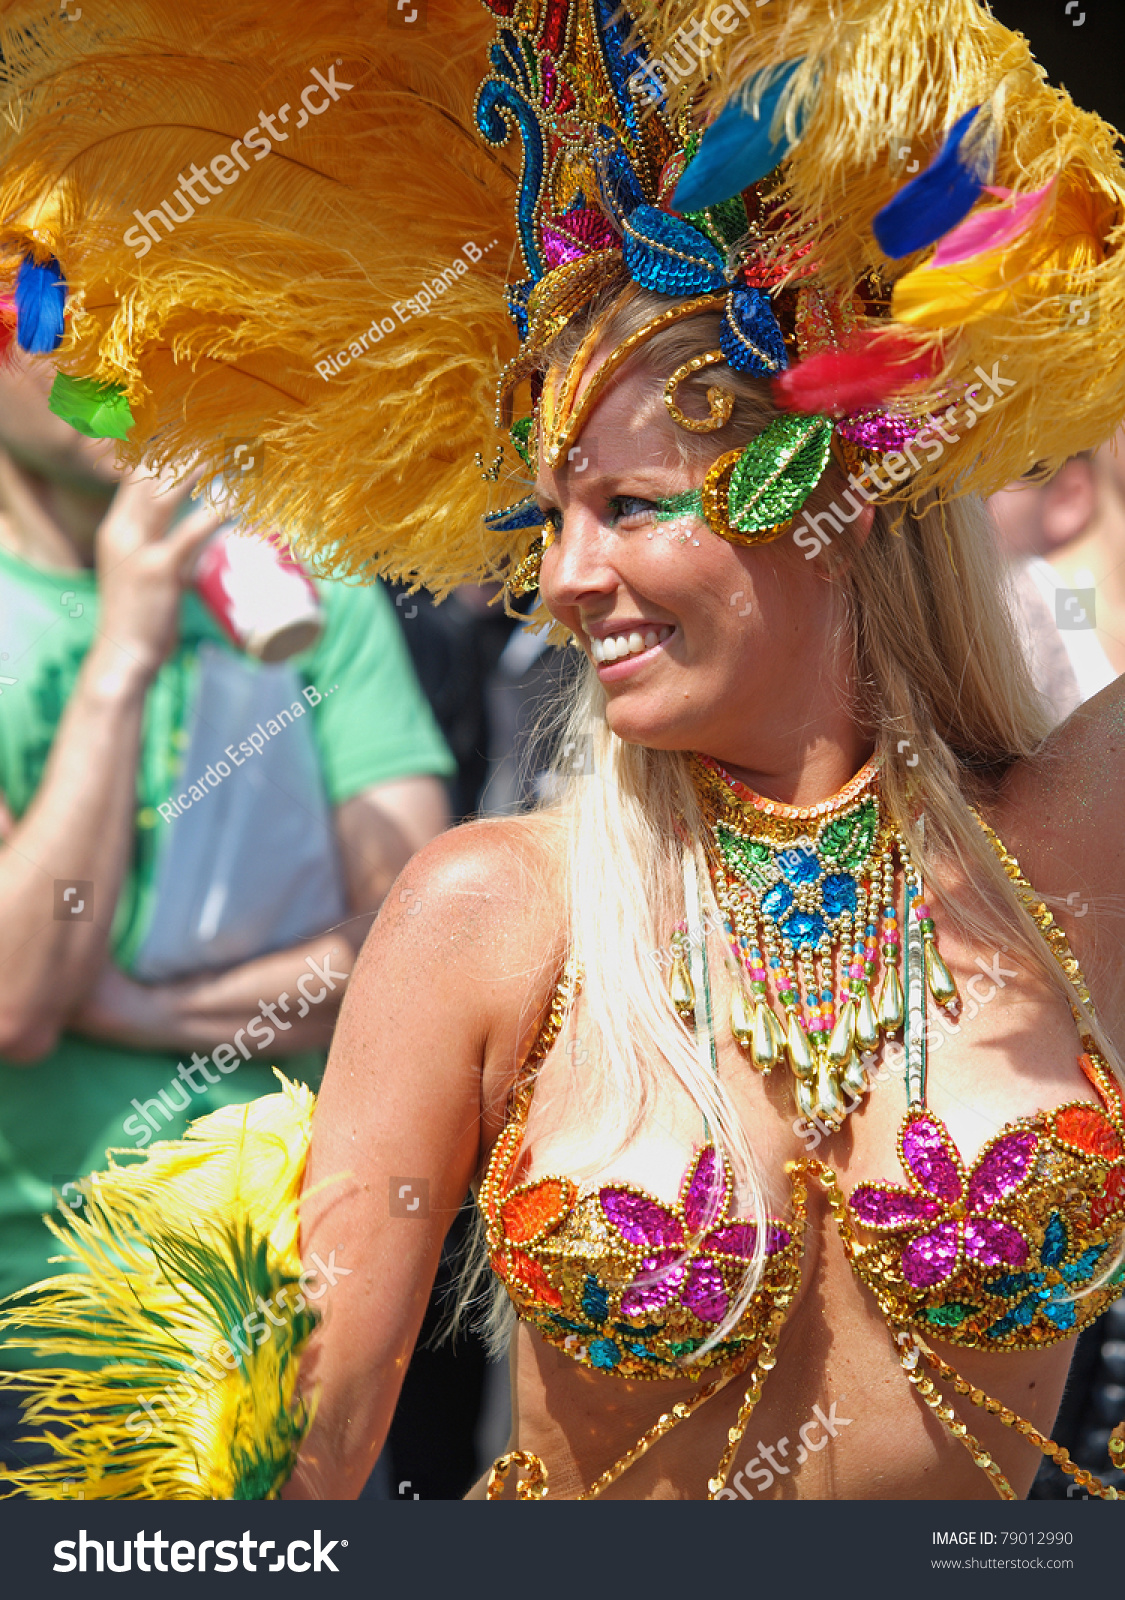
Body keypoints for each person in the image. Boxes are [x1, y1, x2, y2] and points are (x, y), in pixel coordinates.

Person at [2, 0, 1124, 1505]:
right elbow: (297, 1470)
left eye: (633, 507)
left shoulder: (1067, 845)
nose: (563, 580)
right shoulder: (492, 913)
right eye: (550, 522)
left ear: (836, 502)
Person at [0, 354, 454, 1472]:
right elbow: (18, 992)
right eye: (53, 305)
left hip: (291, 1300)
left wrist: (152, 1012)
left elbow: (417, 947)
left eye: (140, 298)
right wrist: (123, 650)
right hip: (38, 1316)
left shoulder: (304, 578)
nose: (111, 348)